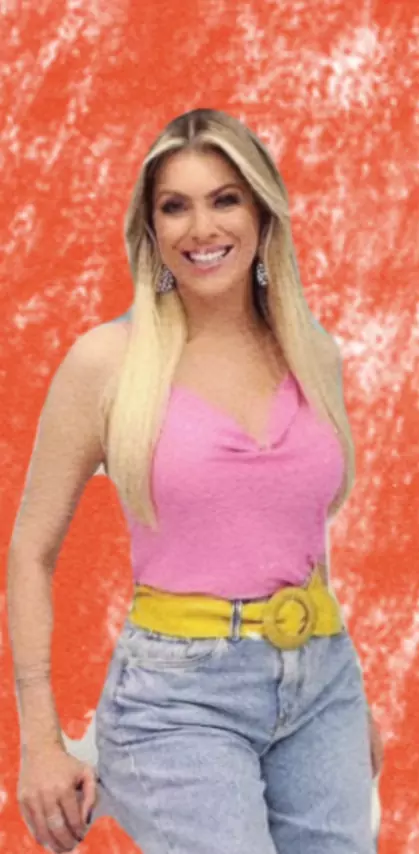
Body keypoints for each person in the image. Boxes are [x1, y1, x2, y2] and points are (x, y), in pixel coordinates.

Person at [7, 108, 383, 854]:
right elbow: (29, 551)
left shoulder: (314, 354)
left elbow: (298, 535)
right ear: (151, 229)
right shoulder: (107, 363)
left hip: (323, 684)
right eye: (174, 206)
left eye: (224, 199)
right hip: (179, 698)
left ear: (261, 213)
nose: (201, 228)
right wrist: (38, 739)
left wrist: (346, 697)